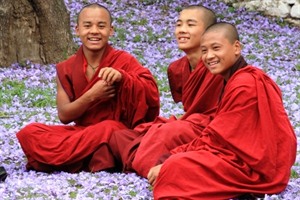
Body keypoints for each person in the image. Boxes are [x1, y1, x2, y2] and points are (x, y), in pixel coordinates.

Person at [147, 22, 297, 199]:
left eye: (216, 48)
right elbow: (223, 137)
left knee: (176, 167)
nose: (209, 56)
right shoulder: (233, 80)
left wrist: (174, 158)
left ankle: (241, 190)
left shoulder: (246, 84)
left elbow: (218, 139)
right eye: (204, 51)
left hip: (254, 169)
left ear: (236, 47)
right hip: (241, 158)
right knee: (174, 161)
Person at [16, 3, 160, 173]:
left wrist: (123, 78)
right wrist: (92, 95)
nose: (94, 31)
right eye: (87, 26)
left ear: (111, 30)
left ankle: (75, 158)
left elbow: (150, 91)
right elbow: (64, 115)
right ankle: (95, 156)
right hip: (83, 133)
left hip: (114, 131)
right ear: (77, 30)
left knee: (110, 129)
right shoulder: (66, 67)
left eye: (101, 26)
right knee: (29, 133)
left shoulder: (124, 60)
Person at [108, 5, 224, 178]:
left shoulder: (221, 66)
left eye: (190, 25)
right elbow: (191, 108)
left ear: (209, 32)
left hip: (213, 130)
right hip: (190, 125)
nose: (182, 30)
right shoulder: (176, 69)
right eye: (179, 25)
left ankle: (163, 167)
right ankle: (161, 162)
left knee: (164, 133)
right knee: (123, 136)